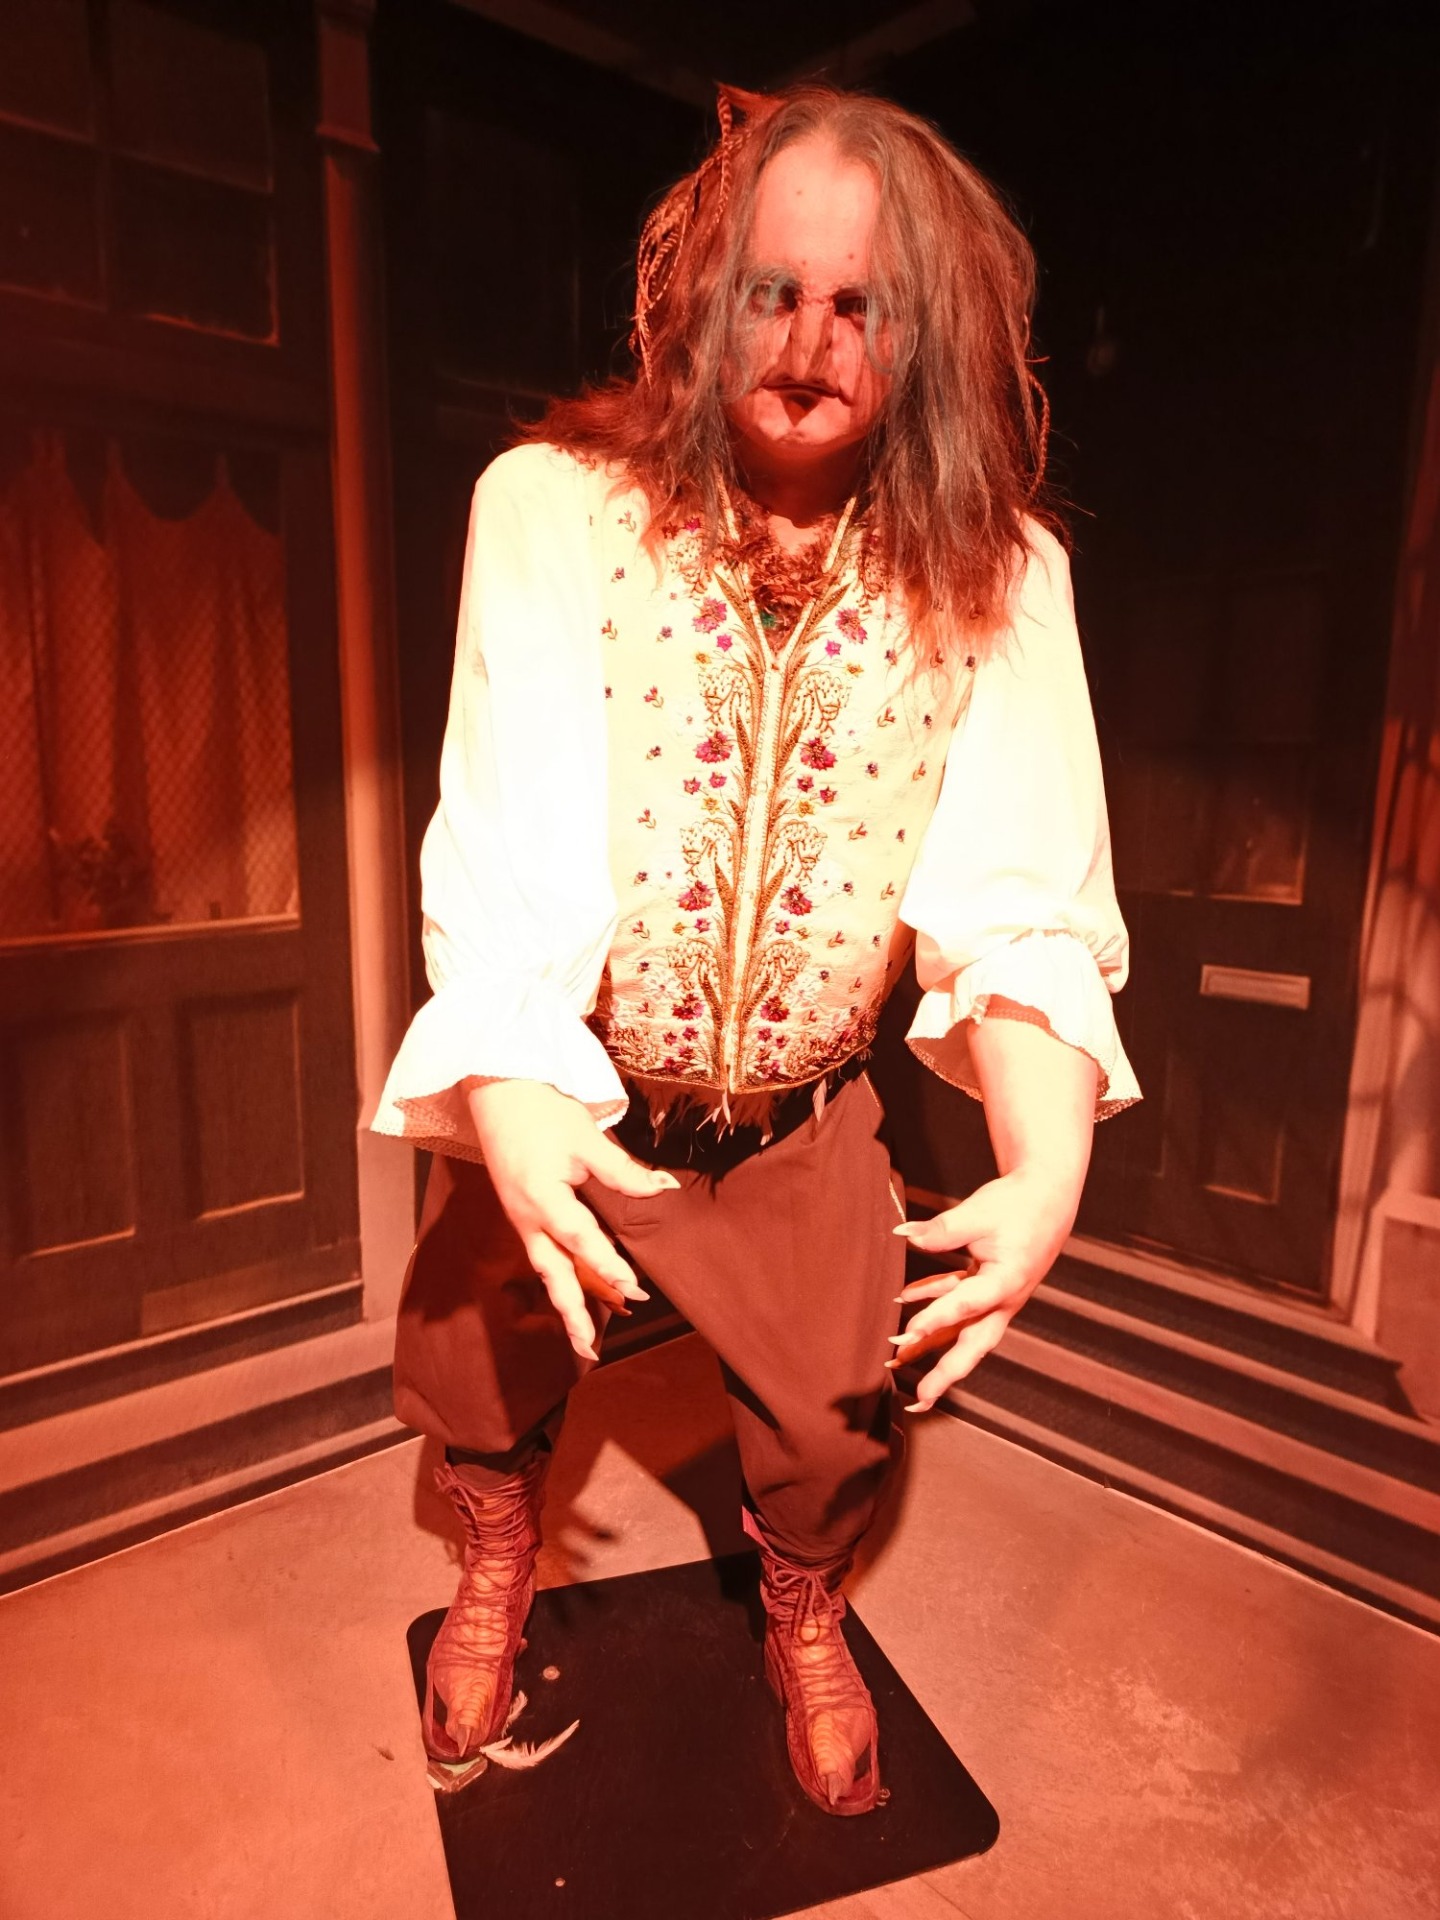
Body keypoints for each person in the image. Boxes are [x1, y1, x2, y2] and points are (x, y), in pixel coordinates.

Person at [372, 83, 1139, 1816]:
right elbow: (509, 824)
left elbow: (1014, 898)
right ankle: (496, 1556)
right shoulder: (553, 507)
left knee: (830, 1423)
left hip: (798, 1116)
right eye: (773, 292)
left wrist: (1048, 1162)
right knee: (476, 1348)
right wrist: (507, 1090)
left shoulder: (1001, 575)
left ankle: (803, 1608)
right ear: (706, 300)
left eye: (859, 302)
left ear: (923, 331)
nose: (807, 342)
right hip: (578, 1083)